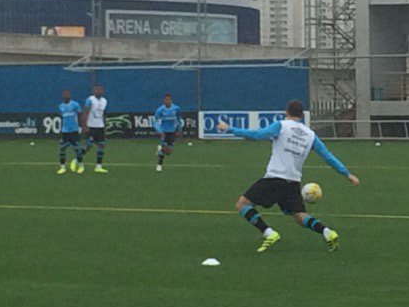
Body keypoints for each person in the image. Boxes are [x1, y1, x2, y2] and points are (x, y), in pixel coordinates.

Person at [216, 100, 360, 253]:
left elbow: (257, 135)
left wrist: (230, 128)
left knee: (242, 204)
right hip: (293, 182)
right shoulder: (310, 135)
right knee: (300, 216)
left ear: (287, 112)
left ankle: (269, 233)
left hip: (275, 178)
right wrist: (347, 174)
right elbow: (328, 157)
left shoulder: (282, 126)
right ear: (302, 115)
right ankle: (327, 232)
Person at [80, 84, 108, 174]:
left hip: (100, 126)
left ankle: (98, 166)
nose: (98, 91)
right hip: (91, 126)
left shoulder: (104, 101)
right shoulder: (90, 100)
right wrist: (84, 126)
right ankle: (78, 159)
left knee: (101, 145)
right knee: (89, 145)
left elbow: (103, 114)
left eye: (100, 90)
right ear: (94, 91)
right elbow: (85, 112)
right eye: (96, 90)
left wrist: (104, 126)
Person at [57, 90, 84, 175]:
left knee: (77, 149)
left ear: (70, 95)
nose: (66, 96)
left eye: (68, 94)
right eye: (65, 95)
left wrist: (80, 126)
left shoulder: (75, 104)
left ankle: (81, 166)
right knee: (62, 149)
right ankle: (62, 167)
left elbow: (80, 114)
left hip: (74, 131)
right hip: (65, 131)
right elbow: (62, 117)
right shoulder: (61, 106)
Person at [153, 93, 182, 172]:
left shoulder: (176, 108)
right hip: (164, 132)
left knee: (169, 152)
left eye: (168, 100)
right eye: (165, 100)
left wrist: (179, 130)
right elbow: (155, 120)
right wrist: (159, 130)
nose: (167, 101)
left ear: (171, 100)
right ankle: (159, 165)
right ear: (164, 101)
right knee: (165, 147)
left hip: (172, 132)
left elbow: (179, 119)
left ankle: (160, 150)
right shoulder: (160, 110)